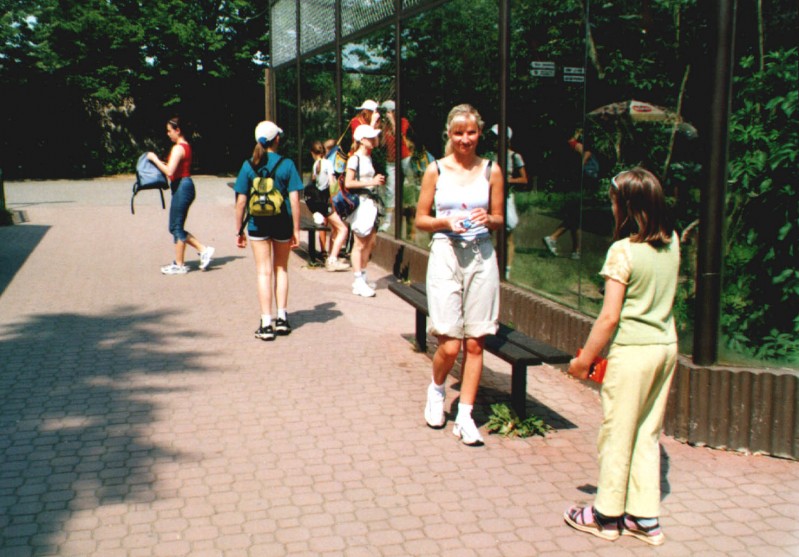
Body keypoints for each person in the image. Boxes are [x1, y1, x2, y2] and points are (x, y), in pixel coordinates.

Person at [563, 167, 679, 546]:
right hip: (665, 347)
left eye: (614, 202)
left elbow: (609, 317)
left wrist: (584, 360)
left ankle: (606, 515)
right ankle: (644, 517)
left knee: (617, 432)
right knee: (647, 432)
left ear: (625, 207)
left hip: (633, 353)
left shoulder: (623, 252)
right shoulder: (672, 242)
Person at [415, 104, 505, 446]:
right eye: (458, 133)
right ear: (449, 134)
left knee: (476, 341)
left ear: (479, 133)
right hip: (446, 252)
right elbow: (421, 219)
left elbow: (499, 218)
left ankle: (465, 416)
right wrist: (444, 222)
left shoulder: (492, 169)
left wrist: (489, 219)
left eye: (471, 132)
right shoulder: (436, 170)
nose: (465, 139)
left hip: (481, 254)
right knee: (450, 345)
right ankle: (437, 389)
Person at [234, 121, 303, 341]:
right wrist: (296, 229)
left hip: (257, 224)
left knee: (263, 272)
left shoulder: (248, 165)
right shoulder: (287, 164)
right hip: (282, 223)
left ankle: (266, 323)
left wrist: (239, 230)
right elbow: (295, 200)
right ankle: (282, 319)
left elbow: (241, 202)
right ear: (277, 139)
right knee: (281, 268)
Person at [147, 117, 214, 274]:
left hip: (182, 187)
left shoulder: (178, 148)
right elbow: (174, 168)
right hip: (182, 186)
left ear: (178, 130)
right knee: (176, 227)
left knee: (175, 227)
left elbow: (169, 171)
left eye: (169, 131)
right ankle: (187, 259)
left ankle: (195, 255)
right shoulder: (185, 146)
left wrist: (154, 159)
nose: (168, 134)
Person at [543, 129, 598, 260]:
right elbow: (587, 153)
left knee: (575, 218)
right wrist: (582, 167)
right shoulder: (574, 144)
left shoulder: (562, 147)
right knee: (575, 217)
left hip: (570, 185)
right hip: (578, 185)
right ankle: (553, 238)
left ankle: (576, 251)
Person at [346, 124, 385, 297]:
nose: (374, 140)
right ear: (362, 140)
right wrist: (372, 182)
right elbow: (349, 183)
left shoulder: (368, 157)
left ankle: (362, 276)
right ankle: (358, 279)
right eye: (370, 137)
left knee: (370, 242)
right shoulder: (354, 159)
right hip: (361, 203)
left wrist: (375, 182)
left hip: (371, 202)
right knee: (360, 243)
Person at [486, 124, 528, 275]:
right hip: (490, 197)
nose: (494, 141)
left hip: (506, 197)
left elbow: (524, 179)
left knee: (508, 234)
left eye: (497, 138)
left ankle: (507, 269)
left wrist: (508, 180)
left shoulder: (514, 156)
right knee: (487, 232)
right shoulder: (490, 157)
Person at [308, 141, 350, 272]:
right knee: (343, 229)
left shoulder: (315, 165)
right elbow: (332, 183)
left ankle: (332, 256)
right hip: (327, 202)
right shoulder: (328, 163)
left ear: (312, 153)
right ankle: (332, 260)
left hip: (319, 202)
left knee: (335, 229)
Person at [377, 100, 411, 232]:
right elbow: (382, 144)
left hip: (404, 157)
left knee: (410, 186)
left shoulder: (403, 122)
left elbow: (400, 137)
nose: (385, 115)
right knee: (390, 191)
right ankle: (387, 221)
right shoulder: (385, 126)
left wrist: (392, 121)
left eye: (387, 112)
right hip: (391, 161)